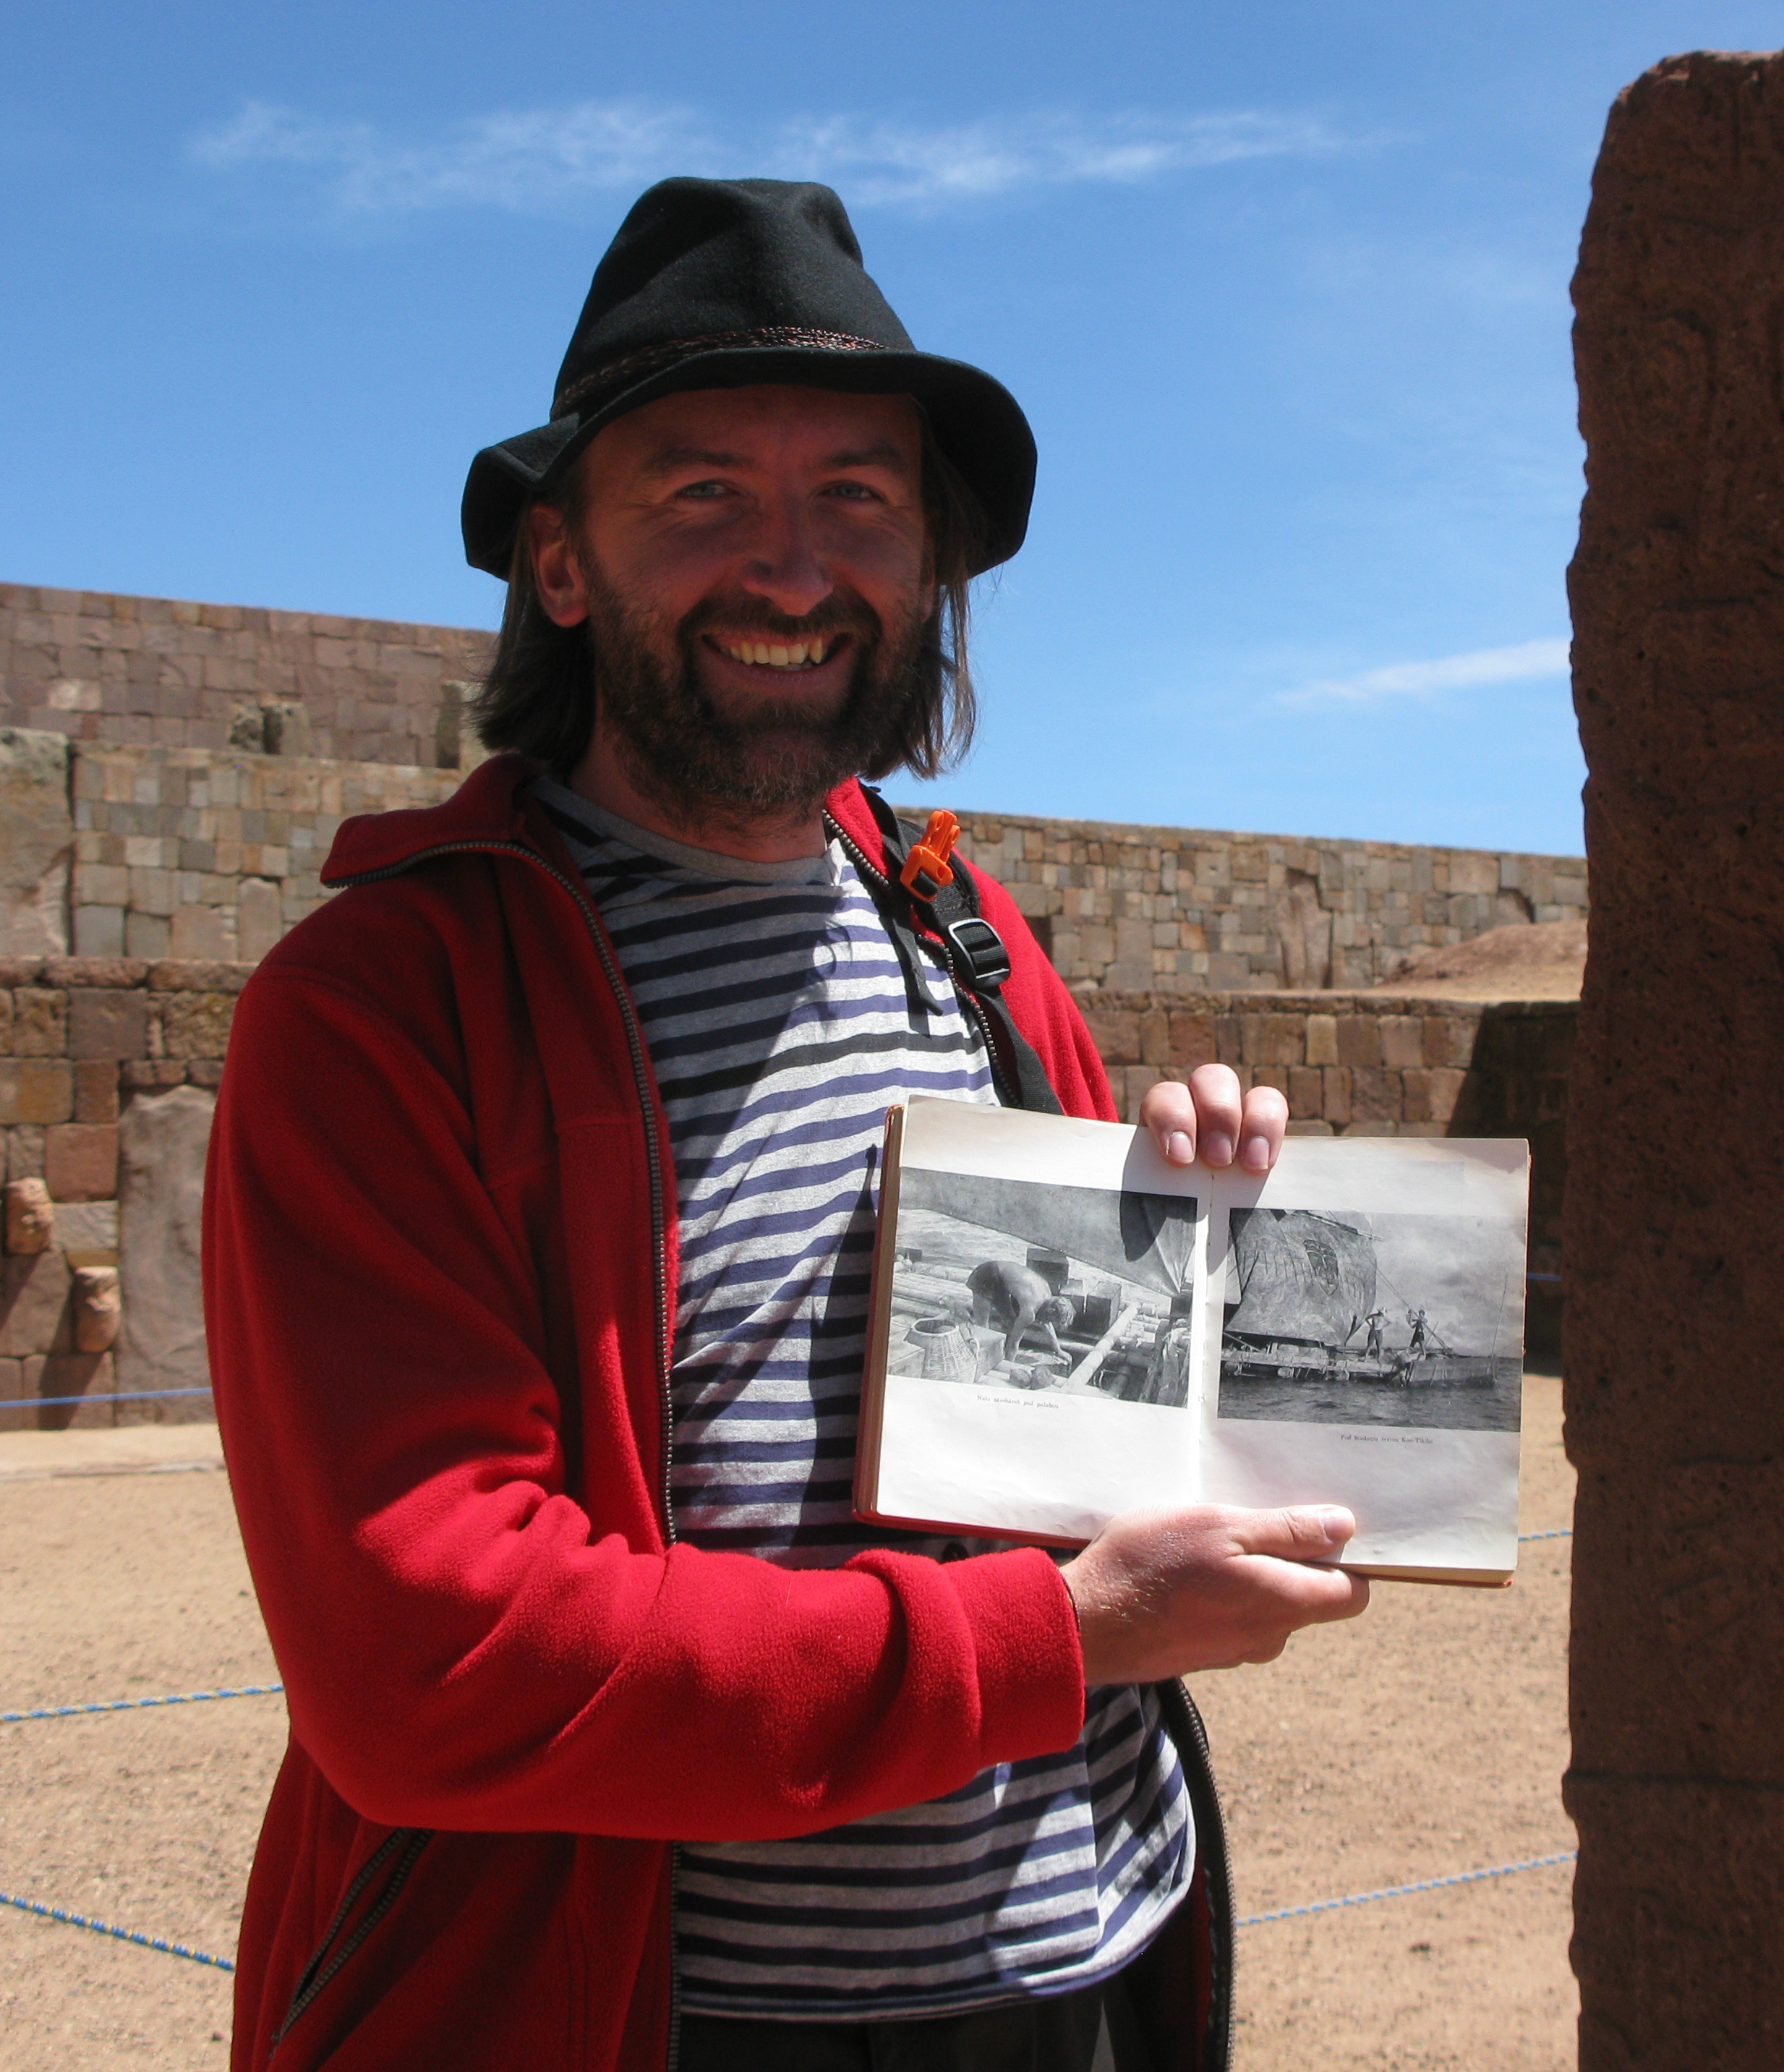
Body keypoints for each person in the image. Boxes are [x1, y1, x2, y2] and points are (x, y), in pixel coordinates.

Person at [203, 177, 1371, 2072]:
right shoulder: (381, 1016)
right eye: (702, 495)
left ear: (925, 568)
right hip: (655, 2018)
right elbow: (438, 1660)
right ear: (561, 561)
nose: (793, 564)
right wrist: (1058, 1642)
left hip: (1082, 1978)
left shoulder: (969, 938)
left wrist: (1197, 1242)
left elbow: (1100, 1441)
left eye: (857, 496)